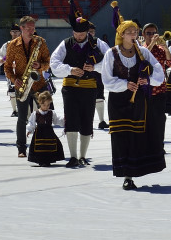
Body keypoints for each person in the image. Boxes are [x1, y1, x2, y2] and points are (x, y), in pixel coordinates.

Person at [101, 19, 166, 190]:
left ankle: (131, 174)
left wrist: (148, 79)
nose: (133, 34)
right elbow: (106, 80)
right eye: (129, 32)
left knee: (135, 135)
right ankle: (125, 173)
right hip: (118, 101)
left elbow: (159, 70)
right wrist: (125, 85)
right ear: (121, 34)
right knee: (120, 136)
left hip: (138, 101)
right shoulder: (112, 53)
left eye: (135, 31)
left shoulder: (143, 52)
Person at [50, 13, 103, 167]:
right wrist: (70, 70)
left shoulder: (97, 43)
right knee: (71, 119)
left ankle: (83, 156)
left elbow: (109, 61)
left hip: (89, 87)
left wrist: (95, 67)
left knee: (87, 120)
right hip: (70, 87)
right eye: (76, 33)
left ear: (87, 32)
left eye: (82, 33)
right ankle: (73, 156)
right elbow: (54, 63)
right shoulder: (65, 43)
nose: (79, 36)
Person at [3, 16, 51, 159]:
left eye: (33, 28)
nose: (32, 31)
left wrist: (40, 66)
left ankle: (46, 145)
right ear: (21, 28)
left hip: (38, 84)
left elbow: (47, 62)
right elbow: (7, 67)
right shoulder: (12, 45)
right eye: (29, 28)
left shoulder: (40, 42)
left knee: (45, 115)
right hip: (22, 85)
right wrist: (14, 79)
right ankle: (21, 148)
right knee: (22, 118)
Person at [27, 90, 66, 167]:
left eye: (48, 105)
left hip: (49, 133)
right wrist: (29, 130)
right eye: (44, 105)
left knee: (49, 146)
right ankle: (40, 160)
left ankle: (48, 160)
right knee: (40, 146)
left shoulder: (51, 113)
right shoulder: (36, 113)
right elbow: (31, 123)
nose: (46, 107)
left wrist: (64, 121)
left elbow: (57, 120)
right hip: (39, 133)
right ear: (40, 103)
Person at [0, 23, 20, 117]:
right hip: (10, 71)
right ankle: (15, 110)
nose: (15, 33)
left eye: (17, 32)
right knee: (12, 90)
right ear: (10, 32)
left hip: (21, 70)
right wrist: (3, 59)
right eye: (13, 31)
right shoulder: (7, 45)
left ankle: (23, 109)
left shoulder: (24, 43)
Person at [88, 24, 112, 130]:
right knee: (85, 98)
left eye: (92, 31)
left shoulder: (99, 42)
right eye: (89, 31)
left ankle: (101, 121)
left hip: (97, 73)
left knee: (99, 96)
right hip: (82, 74)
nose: (90, 33)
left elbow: (108, 56)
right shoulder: (76, 42)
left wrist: (96, 67)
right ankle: (85, 121)